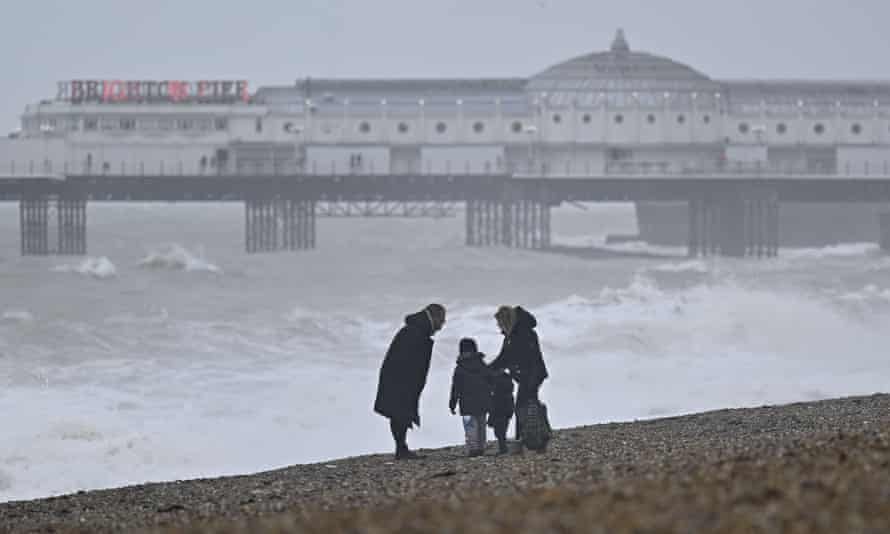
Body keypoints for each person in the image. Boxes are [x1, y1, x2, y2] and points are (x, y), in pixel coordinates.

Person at [374, 303, 446, 460]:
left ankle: (401, 448)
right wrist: (412, 385)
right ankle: (401, 449)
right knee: (400, 412)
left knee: (400, 412)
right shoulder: (415, 332)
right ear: (435, 317)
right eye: (442, 320)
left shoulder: (415, 331)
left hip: (401, 380)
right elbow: (409, 362)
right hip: (402, 381)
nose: (442, 326)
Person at [488, 306, 549, 439]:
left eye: (500, 323)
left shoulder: (524, 333)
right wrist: (488, 369)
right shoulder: (511, 336)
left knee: (523, 405)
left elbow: (520, 357)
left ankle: (524, 437)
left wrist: (498, 368)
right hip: (526, 375)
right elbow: (504, 358)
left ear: (506, 321)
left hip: (532, 375)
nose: (499, 327)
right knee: (529, 404)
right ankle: (538, 433)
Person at [449, 338, 491, 457]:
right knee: (481, 425)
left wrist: (452, 403)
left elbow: (455, 388)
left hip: (466, 404)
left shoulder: (460, 368)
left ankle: (473, 448)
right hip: (482, 401)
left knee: (470, 427)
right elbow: (490, 380)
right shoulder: (482, 364)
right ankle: (481, 447)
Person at [488, 368, 515, 455]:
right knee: (502, 429)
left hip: (499, 407)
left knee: (499, 431)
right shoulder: (508, 378)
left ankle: (503, 448)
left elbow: (494, 394)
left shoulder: (496, 379)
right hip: (507, 406)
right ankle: (503, 447)